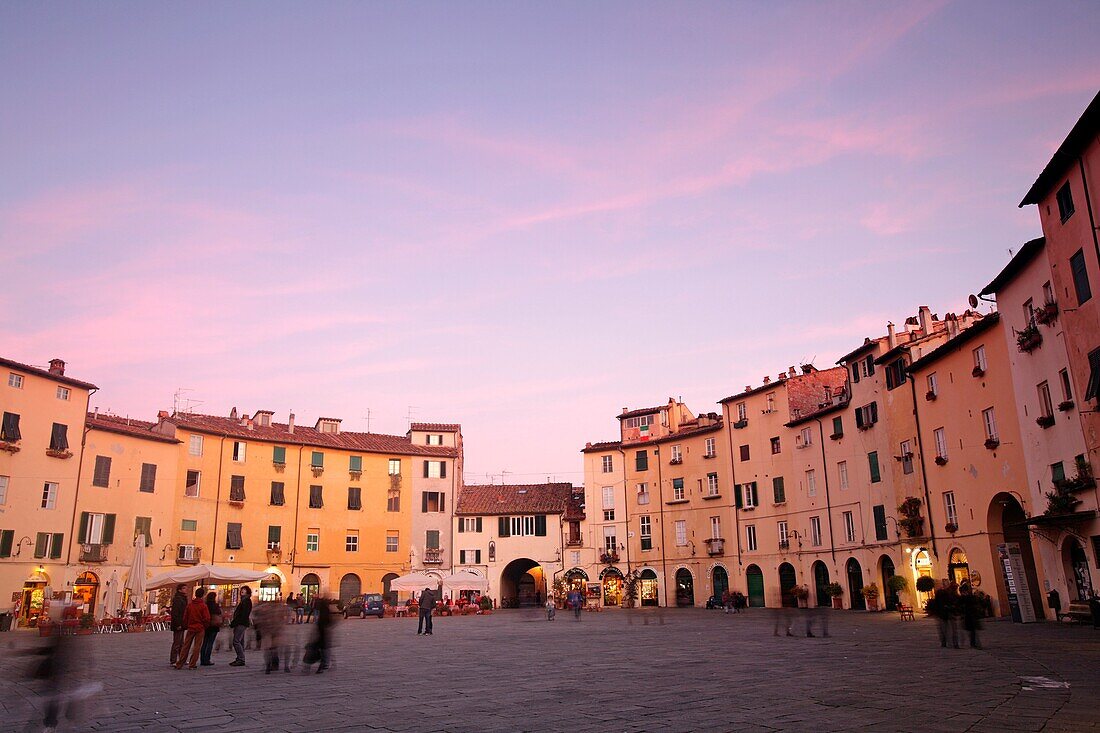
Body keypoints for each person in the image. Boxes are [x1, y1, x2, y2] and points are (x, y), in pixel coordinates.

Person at [175, 588, 211, 669]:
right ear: (203, 595)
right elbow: (207, 618)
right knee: (197, 646)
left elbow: (185, 617)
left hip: (191, 627)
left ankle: (180, 663)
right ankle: (192, 664)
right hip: (200, 628)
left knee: (186, 646)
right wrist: (205, 626)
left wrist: (186, 625)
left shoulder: (190, 605)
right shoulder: (203, 606)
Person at [302, 598, 333, 673]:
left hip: (321, 635)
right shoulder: (325, 611)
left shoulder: (323, 612)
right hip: (322, 635)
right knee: (322, 651)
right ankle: (322, 666)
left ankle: (316, 666)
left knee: (316, 652)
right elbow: (329, 622)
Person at [930, 580, 960, 649]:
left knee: (951, 629)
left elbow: (956, 601)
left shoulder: (949, 593)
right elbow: (937, 603)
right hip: (944, 613)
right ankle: (947, 643)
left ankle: (952, 643)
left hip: (948, 613)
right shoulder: (941, 593)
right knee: (946, 629)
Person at [229, 586, 252, 667]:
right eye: (241, 590)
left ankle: (241, 659)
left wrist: (234, 622)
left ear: (247, 592)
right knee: (240, 641)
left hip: (241, 623)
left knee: (236, 641)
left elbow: (243, 615)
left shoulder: (246, 601)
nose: (242, 591)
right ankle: (240, 658)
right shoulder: (243, 601)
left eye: (244, 590)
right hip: (241, 623)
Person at [199, 591, 223, 666]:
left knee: (204, 643)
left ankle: (202, 659)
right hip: (214, 626)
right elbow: (219, 613)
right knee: (210, 643)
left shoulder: (205, 604)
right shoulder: (215, 605)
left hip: (206, 625)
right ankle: (207, 659)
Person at [169, 584, 188, 667]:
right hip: (178, 623)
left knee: (181, 643)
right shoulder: (178, 599)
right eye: (184, 588)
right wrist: (178, 624)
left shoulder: (183, 598)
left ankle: (182, 659)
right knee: (177, 642)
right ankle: (173, 660)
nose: (186, 589)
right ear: (179, 590)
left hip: (182, 623)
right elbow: (175, 613)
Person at [960, 582, 983, 649]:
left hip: (970, 616)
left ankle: (974, 643)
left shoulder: (968, 597)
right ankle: (974, 643)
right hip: (969, 616)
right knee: (972, 631)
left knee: (972, 631)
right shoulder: (966, 597)